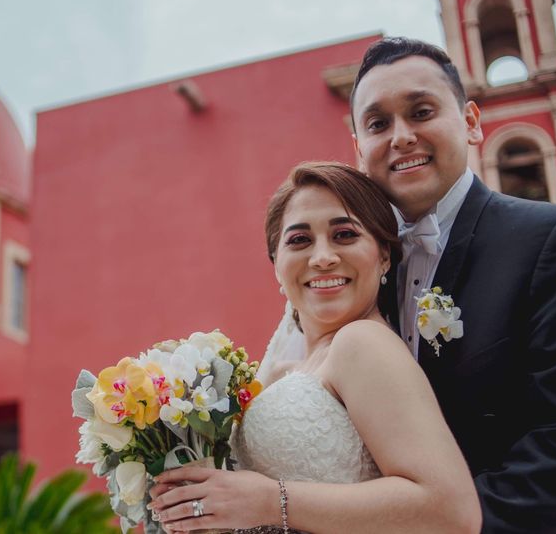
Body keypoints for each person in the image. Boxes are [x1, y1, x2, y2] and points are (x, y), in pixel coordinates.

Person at [348, 37, 556, 533]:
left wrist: (438, 526)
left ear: (472, 122)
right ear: (358, 149)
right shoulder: (362, 271)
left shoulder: (555, 239)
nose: (401, 136)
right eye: (378, 124)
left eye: (421, 111)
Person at [149, 162, 483, 533]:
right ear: (276, 264)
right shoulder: (279, 372)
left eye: (344, 234)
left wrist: (269, 502)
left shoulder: (363, 344)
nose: (322, 257)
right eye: (299, 240)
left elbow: (450, 511)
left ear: (384, 255)